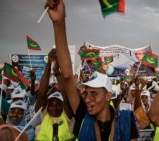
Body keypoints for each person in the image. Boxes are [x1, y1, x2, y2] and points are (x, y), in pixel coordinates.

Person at [45, 0, 138, 140]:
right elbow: (67, 76)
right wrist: (58, 23)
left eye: (94, 94)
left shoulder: (125, 120)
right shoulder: (83, 114)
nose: (87, 99)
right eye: (86, 94)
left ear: (108, 96)